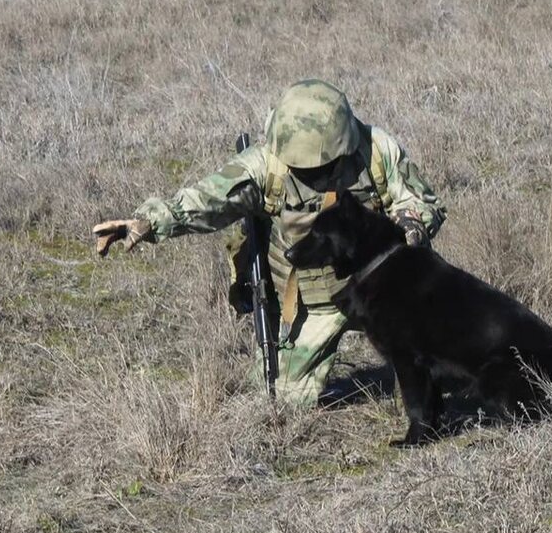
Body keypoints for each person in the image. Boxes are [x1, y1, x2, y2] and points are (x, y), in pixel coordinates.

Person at [92, 79, 446, 406]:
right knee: (284, 400)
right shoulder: (265, 166)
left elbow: (421, 203)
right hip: (312, 302)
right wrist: (146, 222)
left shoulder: (377, 152)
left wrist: (408, 230)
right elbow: (206, 200)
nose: (312, 175)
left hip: (386, 292)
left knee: (447, 367)